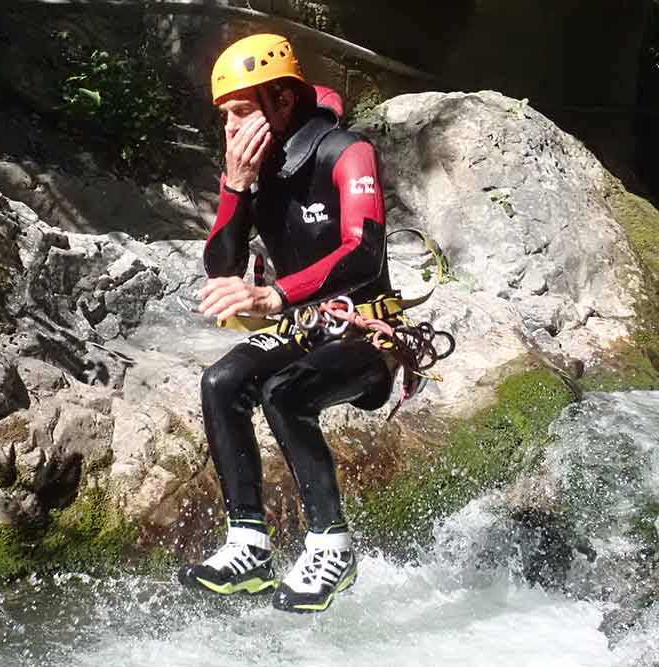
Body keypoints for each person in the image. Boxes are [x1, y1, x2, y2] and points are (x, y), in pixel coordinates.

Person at [177, 33, 393, 614]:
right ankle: (249, 543)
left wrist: (276, 294)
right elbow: (220, 267)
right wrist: (235, 186)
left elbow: (364, 252)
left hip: (368, 333)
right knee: (221, 384)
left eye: (241, 112)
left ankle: (332, 545)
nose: (231, 129)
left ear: (283, 100)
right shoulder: (257, 167)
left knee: (285, 392)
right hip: (307, 328)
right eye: (224, 117)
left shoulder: (348, 151)